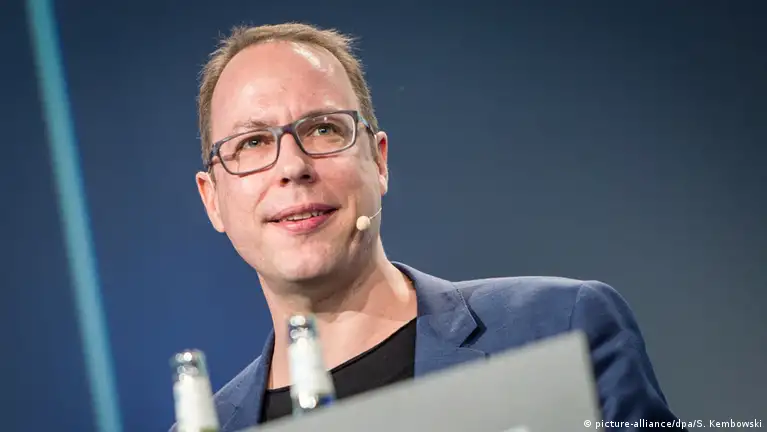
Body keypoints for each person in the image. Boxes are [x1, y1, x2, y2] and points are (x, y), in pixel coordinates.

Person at [180, 22, 685, 431]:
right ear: (212, 199)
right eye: (252, 143)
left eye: (324, 129)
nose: (293, 166)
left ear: (379, 161)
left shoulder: (560, 330)